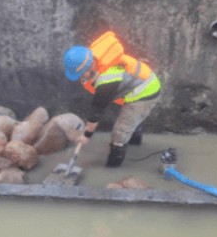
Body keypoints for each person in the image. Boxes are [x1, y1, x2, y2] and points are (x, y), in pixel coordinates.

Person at [63, 31, 162, 167]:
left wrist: (86, 136)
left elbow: (96, 112)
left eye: (81, 74)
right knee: (132, 121)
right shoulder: (93, 57)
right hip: (140, 82)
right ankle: (134, 140)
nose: (80, 77)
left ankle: (114, 165)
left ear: (89, 66)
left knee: (120, 132)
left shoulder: (106, 82)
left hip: (146, 92)